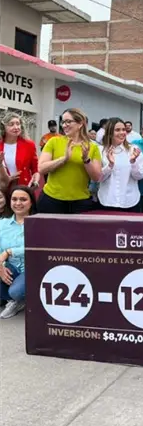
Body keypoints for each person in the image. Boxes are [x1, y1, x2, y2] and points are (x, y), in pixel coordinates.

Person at [38, 108, 102, 214]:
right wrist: (64, 159)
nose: (64, 125)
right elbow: (41, 168)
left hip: (80, 202)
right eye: (63, 122)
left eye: (68, 121)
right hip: (51, 199)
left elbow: (96, 177)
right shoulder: (54, 141)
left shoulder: (92, 147)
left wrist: (86, 160)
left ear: (80, 124)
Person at [0, 186, 36, 319]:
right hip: (10, 267)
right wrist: (0, 267)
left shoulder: (38, 223)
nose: (18, 203)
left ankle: (18, 298)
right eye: (14, 199)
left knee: (16, 291)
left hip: (31, 269)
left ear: (31, 202)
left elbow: (35, 247)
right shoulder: (2, 223)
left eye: (23, 199)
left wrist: (10, 252)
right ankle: (12, 300)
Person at [98, 118, 143, 212]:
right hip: (107, 201)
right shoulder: (101, 150)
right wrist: (110, 165)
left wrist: (133, 162)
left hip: (130, 201)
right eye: (117, 130)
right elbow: (98, 178)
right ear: (109, 132)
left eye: (123, 129)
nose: (122, 133)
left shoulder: (133, 149)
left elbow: (140, 176)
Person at [0, 112, 41, 192]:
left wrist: (35, 182)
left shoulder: (29, 145)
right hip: (3, 189)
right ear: (4, 127)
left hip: (23, 188)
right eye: (11, 124)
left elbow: (35, 170)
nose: (16, 127)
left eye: (18, 124)